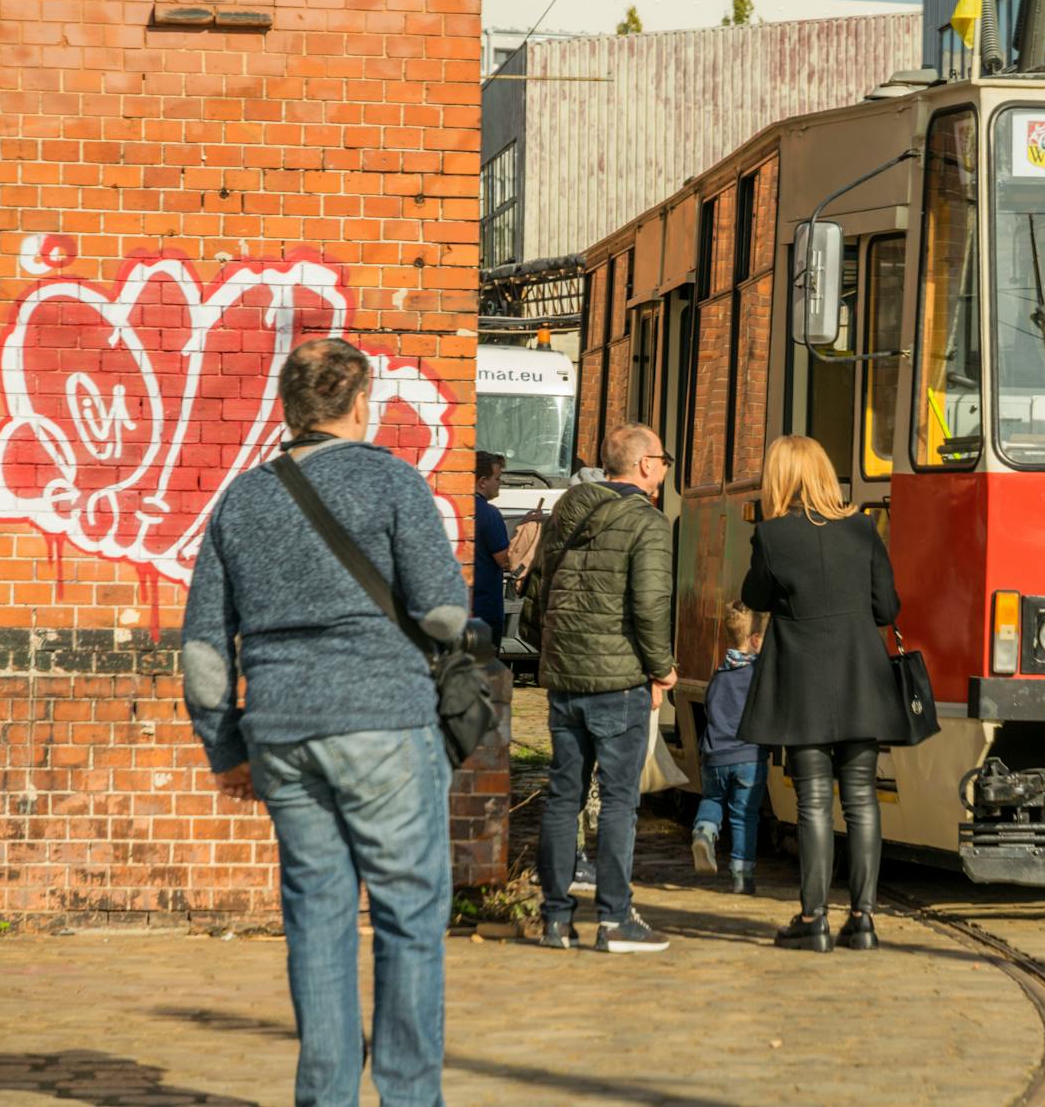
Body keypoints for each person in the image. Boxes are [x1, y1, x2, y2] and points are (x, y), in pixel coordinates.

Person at [182, 337, 468, 1106]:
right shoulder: (393, 481)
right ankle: (409, 1097)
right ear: (360, 403)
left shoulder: (241, 499)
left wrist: (224, 748)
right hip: (383, 722)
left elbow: (205, 652)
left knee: (317, 915)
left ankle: (326, 1095)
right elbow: (443, 614)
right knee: (409, 913)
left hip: (280, 731)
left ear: (290, 407)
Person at [739, 435, 904, 953]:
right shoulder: (861, 528)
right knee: (861, 800)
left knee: (812, 802)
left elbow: (754, 597)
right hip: (861, 679)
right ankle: (865, 918)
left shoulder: (772, 535)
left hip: (803, 683)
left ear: (780, 479)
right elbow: (888, 608)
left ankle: (814, 919)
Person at [520, 422, 676, 953]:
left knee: (563, 797)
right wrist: (663, 668)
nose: (664, 469)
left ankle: (556, 920)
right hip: (618, 681)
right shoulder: (647, 523)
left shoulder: (568, 509)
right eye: (663, 459)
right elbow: (649, 606)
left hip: (565, 676)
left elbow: (539, 585)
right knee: (617, 802)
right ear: (645, 465)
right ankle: (614, 920)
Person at [690, 602, 770, 895]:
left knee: (712, 799)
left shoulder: (719, 675)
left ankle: (704, 831)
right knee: (744, 816)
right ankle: (741, 876)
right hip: (749, 757)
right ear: (756, 640)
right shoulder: (759, 676)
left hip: (714, 756)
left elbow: (710, 708)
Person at [473, 450, 512, 649]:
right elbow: (504, 560)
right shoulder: (490, 514)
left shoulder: (457, 509)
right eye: (497, 478)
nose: (500, 483)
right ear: (482, 482)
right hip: (486, 609)